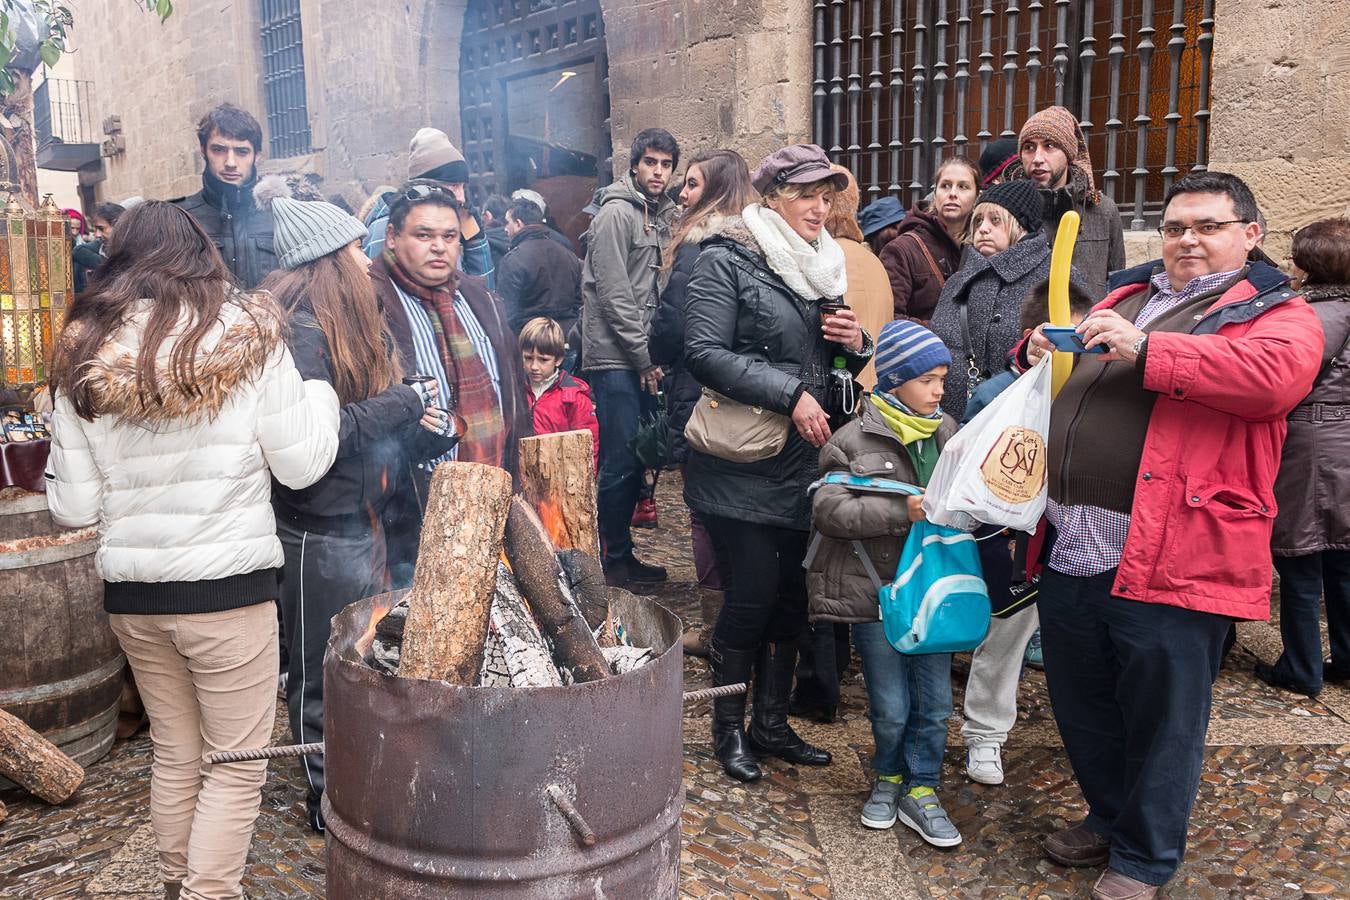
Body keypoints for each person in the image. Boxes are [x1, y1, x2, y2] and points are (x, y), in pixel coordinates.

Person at [1021, 171, 1322, 899]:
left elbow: (1272, 379)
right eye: (1178, 226)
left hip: (1173, 550)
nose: (1189, 239)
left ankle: (1144, 858)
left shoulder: (1280, 314)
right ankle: (1108, 814)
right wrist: (1037, 350)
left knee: (1164, 717)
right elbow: (1080, 373)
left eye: (1209, 226)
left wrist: (1147, 350)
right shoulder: (1130, 295)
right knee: (1082, 702)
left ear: (1250, 235)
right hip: (1074, 543)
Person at [44, 201, 339, 900]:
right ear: (203, 254)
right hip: (227, 592)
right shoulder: (251, 338)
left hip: (135, 599)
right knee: (235, 763)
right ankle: (209, 892)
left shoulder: (84, 355)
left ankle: (180, 885)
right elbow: (302, 465)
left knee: (176, 754)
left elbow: (74, 509)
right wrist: (322, 395)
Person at [261, 196, 455, 834]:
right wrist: (402, 404)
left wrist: (423, 434)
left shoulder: (356, 313)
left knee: (370, 655)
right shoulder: (297, 332)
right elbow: (318, 441)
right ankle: (327, 794)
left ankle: (372, 770)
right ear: (327, 261)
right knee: (323, 665)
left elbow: (371, 429)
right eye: (350, 249)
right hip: (322, 527)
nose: (362, 256)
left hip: (373, 515)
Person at [684, 143, 873, 783]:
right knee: (751, 597)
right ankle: (728, 729)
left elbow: (829, 367)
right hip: (740, 464)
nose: (819, 207)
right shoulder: (724, 259)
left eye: (827, 196)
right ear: (771, 198)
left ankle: (771, 722)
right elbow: (704, 352)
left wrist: (854, 345)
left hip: (804, 465)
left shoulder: (821, 268)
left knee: (794, 598)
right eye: (805, 194)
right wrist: (789, 393)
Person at [806, 319, 960, 847]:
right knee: (891, 706)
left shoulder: (948, 433)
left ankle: (922, 788)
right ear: (894, 380)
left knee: (936, 704)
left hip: (934, 594)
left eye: (942, 378)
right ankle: (889, 776)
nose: (939, 390)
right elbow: (828, 508)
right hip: (877, 595)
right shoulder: (851, 439)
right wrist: (905, 509)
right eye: (927, 380)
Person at [960, 278, 1094, 788]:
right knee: (1004, 641)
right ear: (1032, 334)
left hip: (1078, 540)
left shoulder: (1093, 386)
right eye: (1058, 335)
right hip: (1011, 543)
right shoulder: (996, 394)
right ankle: (985, 735)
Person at [372, 180, 534, 588]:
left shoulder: (480, 298)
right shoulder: (371, 303)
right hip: (415, 503)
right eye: (423, 235)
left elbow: (511, 389)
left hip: (493, 485)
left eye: (449, 236)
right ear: (393, 236)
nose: (439, 247)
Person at [787, 162, 893, 722]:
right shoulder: (875, 262)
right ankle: (846, 662)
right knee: (855, 543)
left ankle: (819, 683)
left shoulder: (825, 262)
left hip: (829, 414)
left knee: (822, 547)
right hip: (872, 415)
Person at [649, 148, 756, 657]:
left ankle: (717, 630)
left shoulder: (698, 246)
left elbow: (671, 329)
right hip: (753, 397)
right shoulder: (762, 243)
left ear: (713, 192)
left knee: (704, 511)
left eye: (691, 184)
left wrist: (656, 348)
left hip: (703, 395)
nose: (681, 193)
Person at [579, 127, 680, 588]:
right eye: (651, 163)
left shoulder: (656, 215)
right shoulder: (617, 214)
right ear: (634, 166)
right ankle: (607, 560)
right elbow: (616, 295)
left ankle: (621, 553)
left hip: (639, 354)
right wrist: (644, 359)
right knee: (620, 459)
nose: (658, 172)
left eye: (665, 164)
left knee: (637, 457)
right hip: (616, 356)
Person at [1258, 217, 1350, 697]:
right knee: (1344, 561)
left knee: (1300, 559)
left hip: (1309, 443)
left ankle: (1301, 666)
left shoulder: (1306, 317)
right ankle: (1347, 657)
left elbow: (1282, 381)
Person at [929, 179, 1068, 421]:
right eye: (978, 221)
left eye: (995, 221)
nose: (982, 229)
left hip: (1020, 428)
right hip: (950, 426)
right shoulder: (957, 281)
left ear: (1022, 227)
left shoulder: (1057, 278)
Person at [1009, 106, 1125, 299]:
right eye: (1029, 147)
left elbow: (1117, 286)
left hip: (1086, 326)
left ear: (1068, 153)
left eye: (1049, 146)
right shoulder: (1007, 209)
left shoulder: (1102, 210)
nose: (1037, 158)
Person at [362, 129, 495, 288]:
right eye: (453, 185)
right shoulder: (384, 227)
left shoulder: (449, 224)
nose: (461, 197)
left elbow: (482, 298)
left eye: (462, 186)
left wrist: (475, 243)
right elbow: (377, 296)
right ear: (425, 185)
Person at [172, 104, 279, 289]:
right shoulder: (180, 218)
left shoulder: (279, 215)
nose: (230, 163)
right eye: (219, 150)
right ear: (203, 151)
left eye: (241, 151)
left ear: (257, 156)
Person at [878, 157, 981, 324]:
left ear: (977, 196)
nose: (952, 193)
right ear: (935, 194)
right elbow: (889, 319)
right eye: (945, 185)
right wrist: (945, 331)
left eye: (963, 187)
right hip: (922, 349)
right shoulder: (902, 250)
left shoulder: (982, 249)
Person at [520, 316, 599, 470]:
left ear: (558, 359)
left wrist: (585, 476)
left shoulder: (573, 397)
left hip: (560, 474)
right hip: (523, 472)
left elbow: (589, 442)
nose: (534, 366)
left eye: (543, 360)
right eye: (528, 358)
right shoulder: (516, 391)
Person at [497, 197, 583, 335]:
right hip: (565, 337)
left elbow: (508, 314)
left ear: (518, 224)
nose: (505, 228)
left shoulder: (513, 260)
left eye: (507, 222)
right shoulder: (569, 255)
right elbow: (579, 304)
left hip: (531, 343)